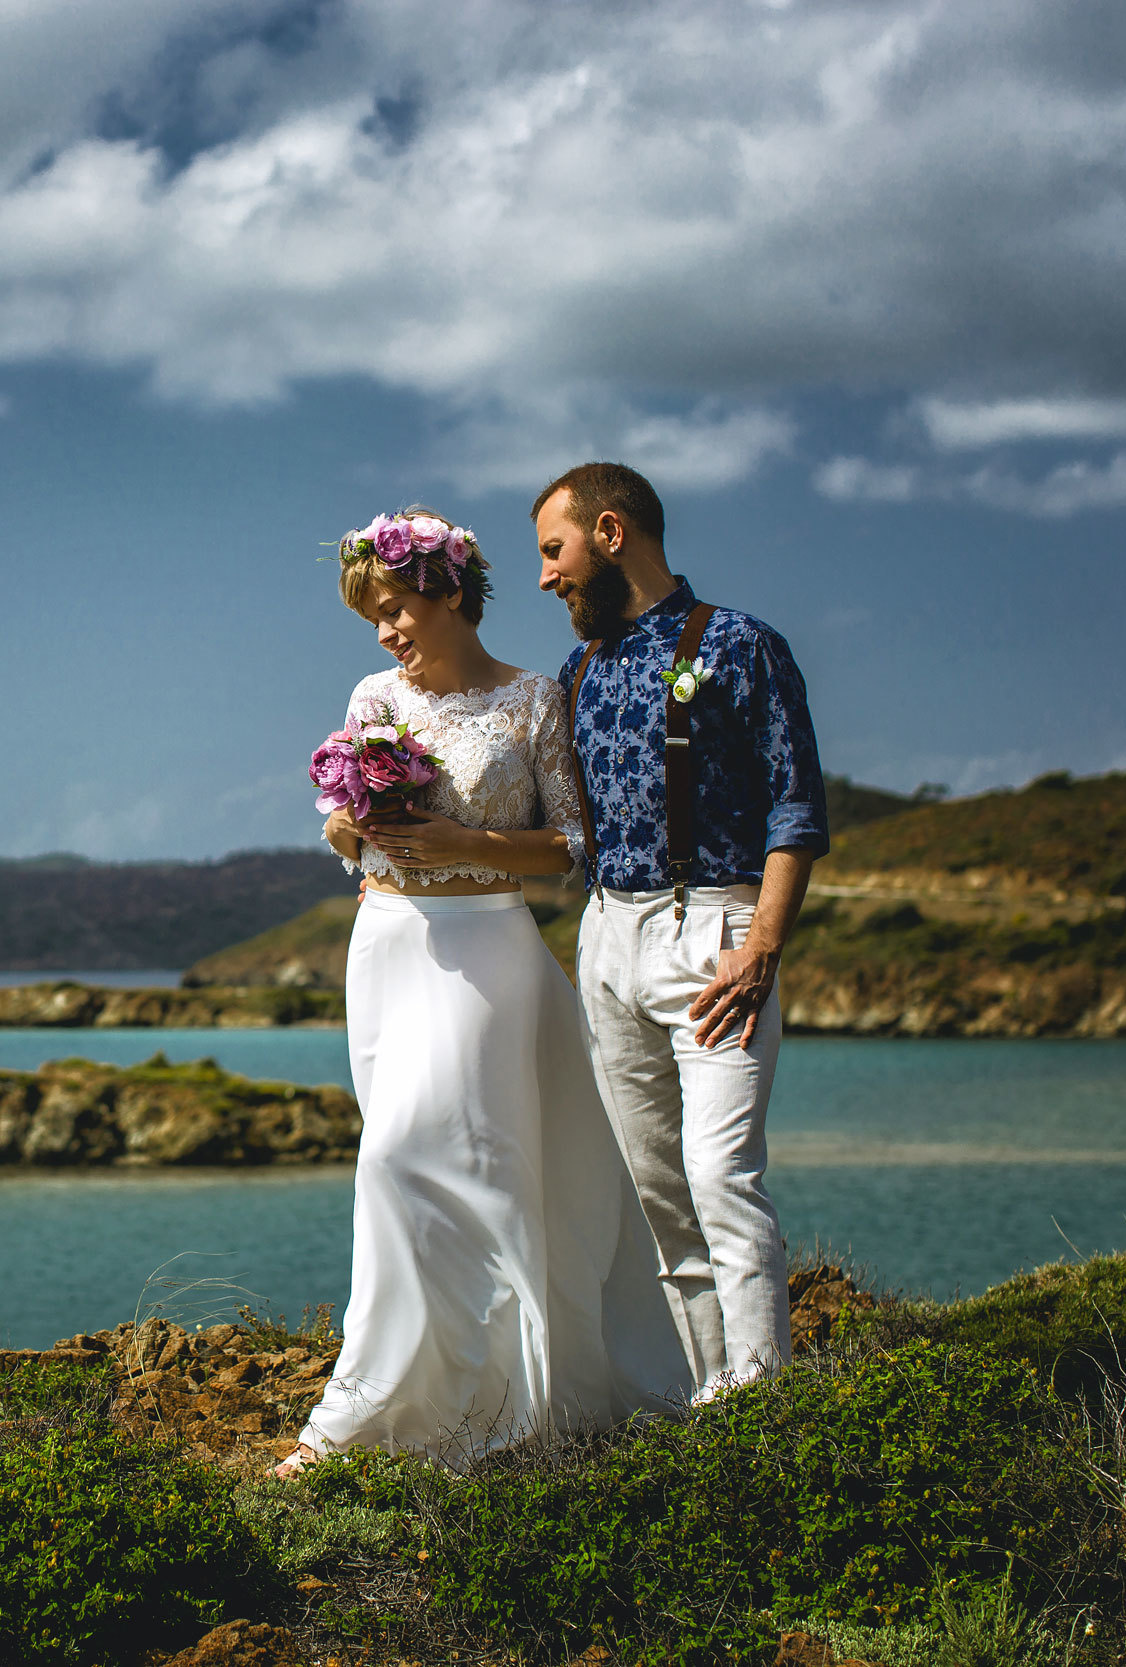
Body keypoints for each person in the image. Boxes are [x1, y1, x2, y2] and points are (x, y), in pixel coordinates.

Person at [273, 509, 691, 1478]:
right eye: (372, 617)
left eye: (393, 608)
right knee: (403, 1156)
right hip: (387, 945)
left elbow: (571, 845)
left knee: (415, 1159)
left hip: (487, 946)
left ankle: (486, 1402)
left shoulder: (533, 699)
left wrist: (464, 844)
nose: (385, 632)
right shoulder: (374, 690)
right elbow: (341, 823)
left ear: (449, 591)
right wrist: (350, 825)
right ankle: (420, 1399)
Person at [533, 462, 829, 1402]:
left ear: (611, 532)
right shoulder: (577, 672)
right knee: (659, 1194)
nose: (547, 576)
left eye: (554, 549)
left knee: (721, 1175)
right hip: (607, 940)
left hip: (717, 932)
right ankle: (716, 1405)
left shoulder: (742, 644)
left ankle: (763, 1408)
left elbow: (796, 810)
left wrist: (762, 950)